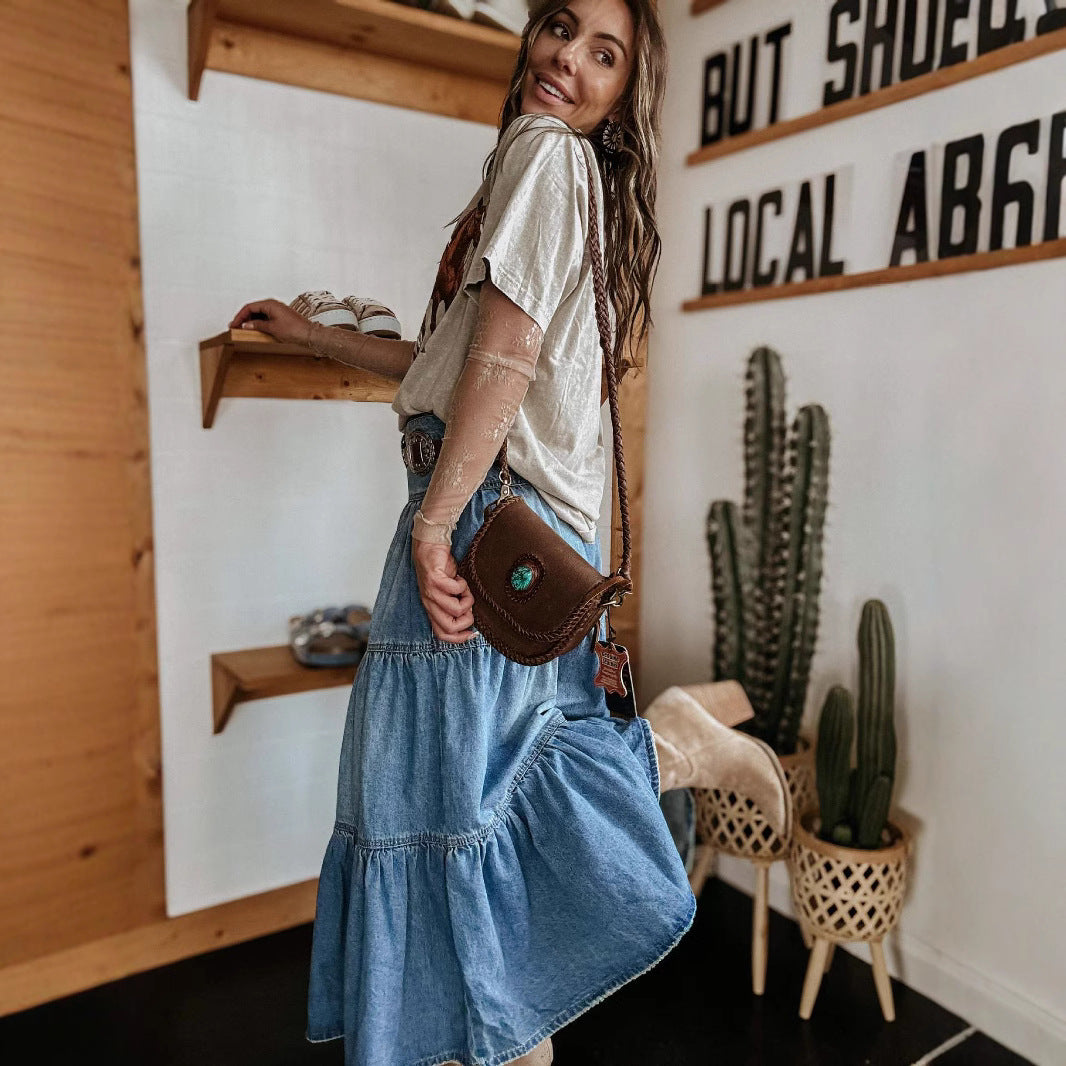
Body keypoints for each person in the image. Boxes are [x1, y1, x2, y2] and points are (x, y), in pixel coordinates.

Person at [229, 1, 790, 1062]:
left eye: (603, 54)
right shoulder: (544, 177)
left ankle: (667, 741)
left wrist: (436, 523)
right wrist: (318, 341)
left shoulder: (543, 155)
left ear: (624, 96)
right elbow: (447, 363)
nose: (566, 60)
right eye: (559, 27)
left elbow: (506, 361)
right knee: (470, 817)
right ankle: (669, 740)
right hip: (509, 523)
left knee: (440, 807)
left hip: (484, 520)